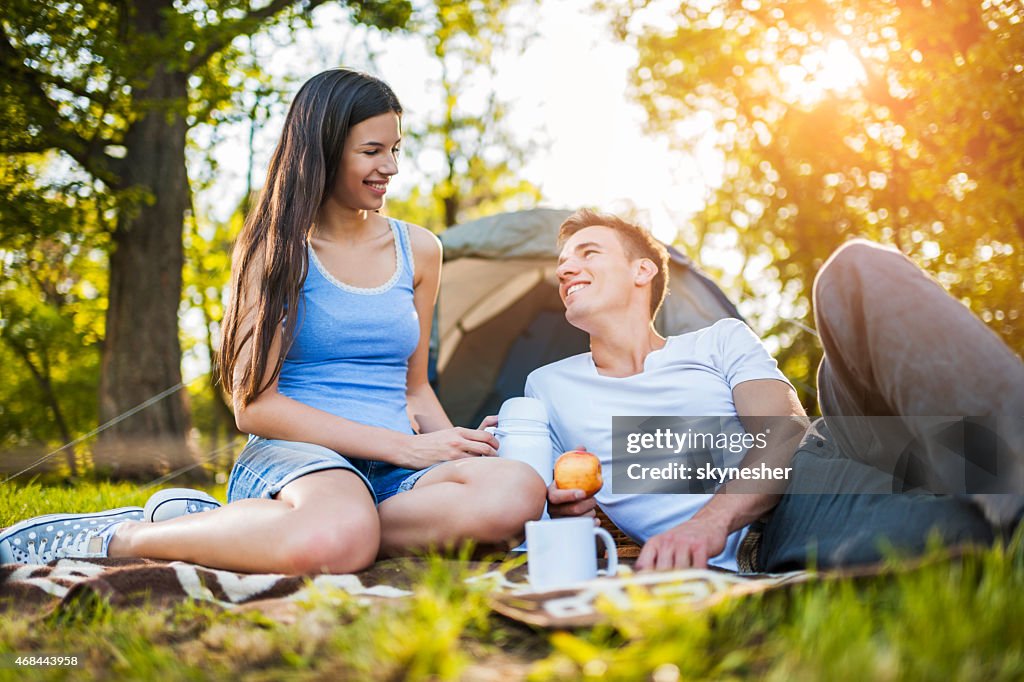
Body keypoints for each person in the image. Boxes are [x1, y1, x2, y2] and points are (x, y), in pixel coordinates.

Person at [0, 68, 547, 573]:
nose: (392, 167)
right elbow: (252, 405)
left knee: (517, 490)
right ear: (324, 151)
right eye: (373, 150)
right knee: (342, 527)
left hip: (397, 469)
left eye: (396, 149)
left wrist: (450, 441)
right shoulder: (274, 250)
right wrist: (402, 447)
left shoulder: (421, 250)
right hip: (299, 459)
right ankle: (120, 538)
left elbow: (415, 387)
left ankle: (274, 530)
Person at [526, 208, 1023, 572]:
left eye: (587, 252)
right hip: (783, 524)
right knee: (968, 537)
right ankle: (996, 497)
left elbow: (785, 432)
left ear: (643, 271)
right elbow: (525, 499)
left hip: (824, 450)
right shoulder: (547, 387)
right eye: (562, 260)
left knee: (853, 270)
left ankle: (1015, 470)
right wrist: (560, 507)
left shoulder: (718, 338)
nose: (565, 268)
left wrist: (708, 520)